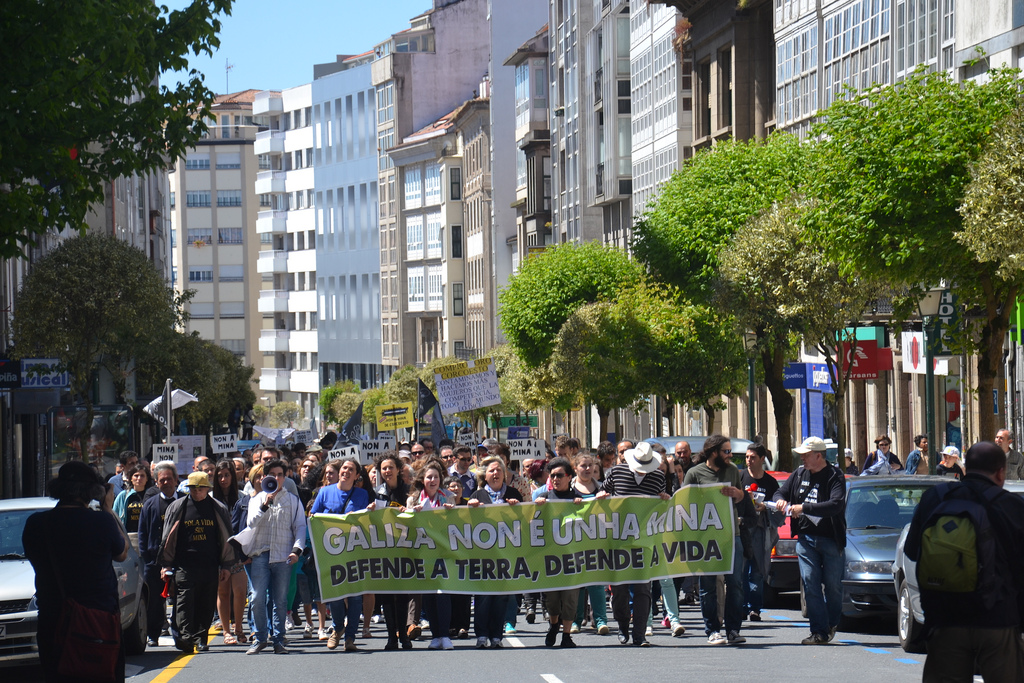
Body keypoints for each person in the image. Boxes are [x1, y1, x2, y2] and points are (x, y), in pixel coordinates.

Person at [904, 441, 1024, 681]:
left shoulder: (934, 499)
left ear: (966, 468)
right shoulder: (1012, 506)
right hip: (998, 620)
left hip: (946, 620)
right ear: (1001, 473)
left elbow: (912, 552)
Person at [23, 462, 130, 683]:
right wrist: (108, 510)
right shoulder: (100, 521)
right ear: (91, 491)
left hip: (54, 620)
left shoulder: (36, 524)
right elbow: (122, 553)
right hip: (97, 621)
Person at [773, 436, 847, 645]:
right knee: (810, 583)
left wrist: (803, 508)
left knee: (833, 586)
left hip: (831, 539)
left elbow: (835, 504)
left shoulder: (834, 476)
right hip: (805, 539)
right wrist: (781, 499)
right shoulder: (799, 473)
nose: (802, 459)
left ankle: (832, 622)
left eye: (806, 455)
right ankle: (818, 631)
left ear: (818, 456)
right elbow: (782, 490)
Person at [682, 435, 752, 646]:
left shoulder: (732, 471)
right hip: (706, 538)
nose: (730, 455)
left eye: (730, 451)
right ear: (713, 452)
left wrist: (737, 493)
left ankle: (733, 629)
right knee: (708, 585)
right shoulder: (694, 473)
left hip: (732, 535)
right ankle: (712, 629)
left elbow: (742, 497)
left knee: (736, 583)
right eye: (726, 452)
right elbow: (685, 504)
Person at [160, 471, 234, 653]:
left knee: (206, 603)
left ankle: (201, 638)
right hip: (184, 565)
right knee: (184, 602)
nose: (196, 492)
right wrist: (166, 564)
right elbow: (167, 537)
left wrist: (226, 565)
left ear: (207, 489)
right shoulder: (178, 507)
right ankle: (186, 638)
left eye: (200, 488)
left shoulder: (218, 508)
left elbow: (226, 537)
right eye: (193, 488)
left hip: (209, 565)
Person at [604, 441, 670, 647]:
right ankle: (623, 625)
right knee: (620, 590)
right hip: (619, 540)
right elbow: (604, 494)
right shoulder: (616, 472)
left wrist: (664, 499)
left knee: (643, 589)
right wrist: (601, 497)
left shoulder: (658, 477)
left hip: (645, 542)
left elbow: (661, 504)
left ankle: (639, 634)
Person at [309, 457, 372, 652]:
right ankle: (337, 628)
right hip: (331, 552)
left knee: (354, 596)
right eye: (344, 468)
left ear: (356, 475)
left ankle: (350, 637)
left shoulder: (362, 495)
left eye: (350, 469)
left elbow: (366, 521)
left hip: (354, 551)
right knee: (334, 594)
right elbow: (313, 516)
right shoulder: (324, 492)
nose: (346, 471)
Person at [245, 459, 307, 655]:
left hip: (283, 557)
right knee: (256, 597)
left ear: (285, 477)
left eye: (280, 475)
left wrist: (297, 550)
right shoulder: (255, 500)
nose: (277, 478)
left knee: (280, 600)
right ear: (264, 477)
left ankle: (278, 640)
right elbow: (251, 524)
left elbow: (300, 528)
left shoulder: (293, 500)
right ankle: (260, 637)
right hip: (261, 555)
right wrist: (265, 505)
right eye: (273, 475)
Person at [468, 455, 523, 648]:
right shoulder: (477, 496)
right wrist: (470, 509)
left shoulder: (514, 494)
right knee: (483, 597)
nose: (495, 473)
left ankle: (496, 635)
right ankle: (482, 634)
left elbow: (523, 523)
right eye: (491, 470)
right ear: (485, 475)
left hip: (506, 555)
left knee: (501, 596)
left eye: (499, 470)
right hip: (484, 556)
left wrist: (518, 510)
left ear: (504, 474)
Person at [533, 457, 585, 648]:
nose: (555, 479)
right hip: (550, 558)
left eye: (559, 475)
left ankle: (566, 634)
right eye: (552, 475)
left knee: (570, 598)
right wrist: (535, 509)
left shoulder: (577, 499)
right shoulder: (545, 499)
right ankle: (554, 625)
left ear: (569, 477)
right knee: (552, 599)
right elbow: (530, 526)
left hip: (572, 558)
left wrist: (583, 507)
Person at [406, 458, 456, 650]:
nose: (433, 480)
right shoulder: (413, 499)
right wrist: (413, 513)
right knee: (428, 595)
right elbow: (407, 524)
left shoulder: (448, 497)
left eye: (436, 477)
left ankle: (445, 634)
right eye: (429, 477)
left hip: (444, 553)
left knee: (443, 593)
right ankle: (435, 635)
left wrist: (452, 512)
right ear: (423, 480)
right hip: (423, 553)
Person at [372, 451, 414, 650]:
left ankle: (404, 636)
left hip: (405, 549)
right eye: (384, 468)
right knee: (387, 595)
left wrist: (410, 511)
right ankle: (391, 637)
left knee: (403, 594)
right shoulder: (377, 493)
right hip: (384, 550)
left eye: (390, 467)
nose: (387, 471)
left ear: (398, 469)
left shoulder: (409, 491)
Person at [566, 451, 610, 635]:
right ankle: (576, 621)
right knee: (578, 584)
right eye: (583, 466)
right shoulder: (568, 489)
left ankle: (600, 620)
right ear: (575, 468)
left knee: (596, 583)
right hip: (573, 541)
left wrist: (605, 500)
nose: (587, 469)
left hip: (596, 541)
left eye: (590, 466)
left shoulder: (601, 487)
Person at [137, 461, 181, 647]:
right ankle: (153, 634)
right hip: (154, 562)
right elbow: (142, 534)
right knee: (155, 601)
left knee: (180, 600)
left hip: (180, 561)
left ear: (176, 480)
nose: (166, 483)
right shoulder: (150, 505)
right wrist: (148, 559)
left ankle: (180, 634)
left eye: (169, 479)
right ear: (156, 482)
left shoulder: (185, 502)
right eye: (162, 480)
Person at [741, 443, 781, 622]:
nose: (749, 461)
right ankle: (741, 606)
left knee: (757, 571)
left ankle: (755, 608)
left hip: (760, 531)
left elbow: (777, 506)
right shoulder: (740, 477)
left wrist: (765, 507)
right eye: (747, 457)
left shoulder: (770, 483)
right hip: (741, 529)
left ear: (762, 459)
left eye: (753, 457)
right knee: (740, 571)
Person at [211, 460, 246, 645]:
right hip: (219, 553)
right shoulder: (210, 498)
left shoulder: (242, 497)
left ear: (233, 476)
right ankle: (226, 631)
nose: (223, 479)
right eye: (220, 476)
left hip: (238, 552)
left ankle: (238, 628)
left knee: (240, 591)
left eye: (227, 475)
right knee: (223, 592)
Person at [112, 464, 151, 549]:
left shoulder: (152, 496)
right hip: (128, 538)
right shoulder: (123, 496)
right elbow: (114, 518)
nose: (139, 478)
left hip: (147, 538)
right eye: (136, 476)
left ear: (147, 479)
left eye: (142, 476)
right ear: (131, 478)